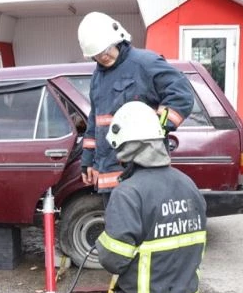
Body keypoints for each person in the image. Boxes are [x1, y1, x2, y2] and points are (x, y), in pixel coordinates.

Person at [79, 101, 208, 293]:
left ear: (127, 150)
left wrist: (101, 242)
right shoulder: (188, 185)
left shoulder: (129, 193)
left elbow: (113, 260)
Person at [77, 11, 194, 202]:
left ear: (117, 39)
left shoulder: (145, 63)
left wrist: (158, 126)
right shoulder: (97, 78)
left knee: (147, 227)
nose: (103, 56)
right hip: (108, 174)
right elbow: (95, 121)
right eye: (97, 54)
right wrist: (87, 160)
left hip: (143, 171)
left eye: (106, 49)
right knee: (117, 228)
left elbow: (181, 97)